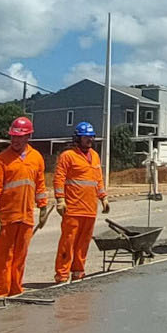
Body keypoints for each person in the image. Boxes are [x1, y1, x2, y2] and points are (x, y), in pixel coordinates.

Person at [0, 115, 49, 296]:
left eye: (19, 136)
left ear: (28, 136)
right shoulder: (1, 160)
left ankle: (15, 291)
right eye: (13, 136)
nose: (15, 140)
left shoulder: (36, 158)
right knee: (3, 258)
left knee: (19, 258)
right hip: (6, 217)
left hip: (26, 217)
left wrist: (43, 207)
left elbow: (40, 185)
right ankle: (0, 292)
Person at [52, 121, 108, 284]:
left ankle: (78, 273)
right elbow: (59, 178)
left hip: (90, 209)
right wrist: (60, 199)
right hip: (73, 209)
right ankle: (62, 275)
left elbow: (98, 179)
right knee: (68, 243)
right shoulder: (67, 156)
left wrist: (103, 197)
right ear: (78, 139)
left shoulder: (95, 156)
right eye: (86, 138)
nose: (89, 141)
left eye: (91, 137)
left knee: (83, 244)